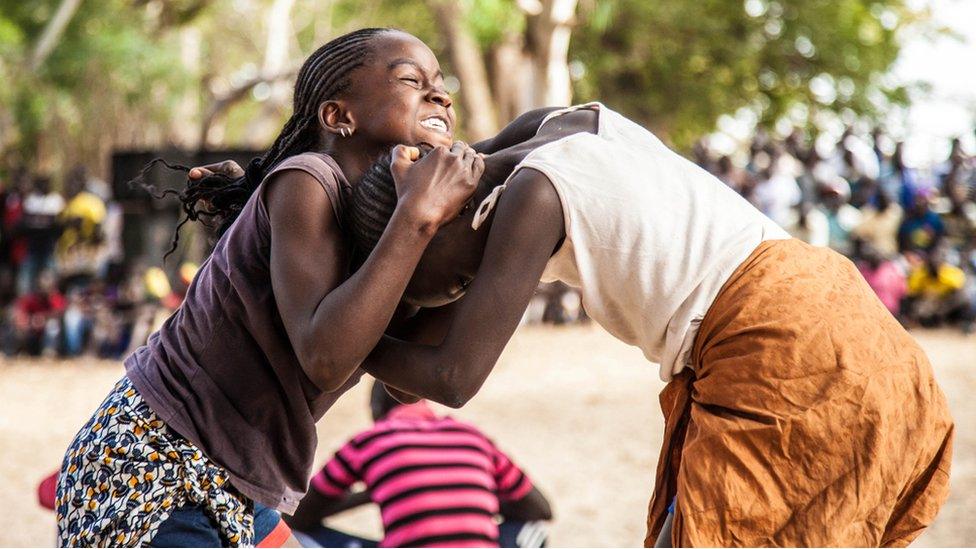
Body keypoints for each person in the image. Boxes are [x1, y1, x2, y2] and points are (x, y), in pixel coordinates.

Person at [346, 103, 953, 546]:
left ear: (437, 220)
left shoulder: (535, 196)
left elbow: (450, 379)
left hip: (782, 345)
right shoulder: (558, 124)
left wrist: (331, 334)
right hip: (843, 314)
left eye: (440, 283)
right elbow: (411, 379)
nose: (453, 295)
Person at [57, 27, 487, 547]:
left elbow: (412, 383)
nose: (439, 95)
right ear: (338, 116)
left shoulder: (384, 230)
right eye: (411, 81)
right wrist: (418, 218)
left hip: (240, 485)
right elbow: (325, 358)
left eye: (441, 85)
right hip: (153, 465)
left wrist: (453, 237)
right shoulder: (306, 179)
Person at [287, 382, 552, 548]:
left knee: (293, 534)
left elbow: (298, 514)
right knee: (530, 533)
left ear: (376, 407)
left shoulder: (371, 441)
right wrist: (466, 494)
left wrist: (366, 496)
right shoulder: (471, 436)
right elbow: (541, 509)